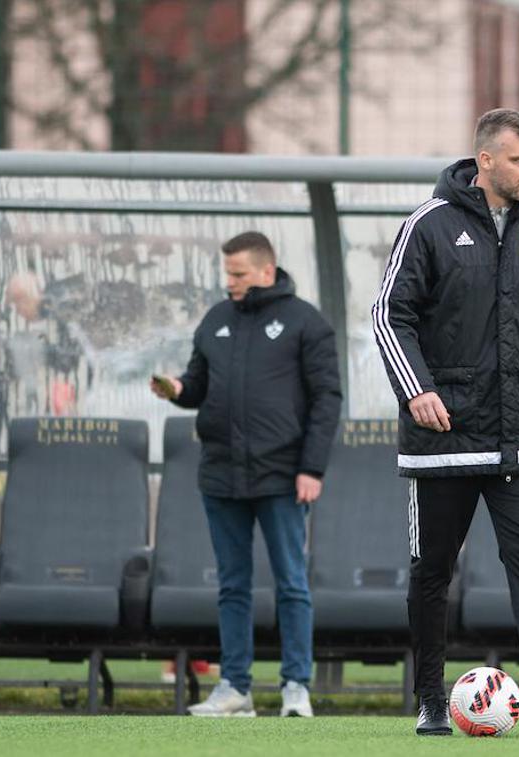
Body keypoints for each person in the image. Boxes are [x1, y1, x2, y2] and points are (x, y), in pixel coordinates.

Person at [371, 108, 519, 737]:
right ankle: (430, 697)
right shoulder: (428, 225)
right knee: (433, 569)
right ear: (486, 161)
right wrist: (416, 390)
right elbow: (390, 315)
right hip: (443, 437)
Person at [150, 231, 341, 718]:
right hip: (221, 476)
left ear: (266, 271)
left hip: (283, 476)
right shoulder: (215, 320)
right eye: (227, 273)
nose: (229, 282)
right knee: (231, 585)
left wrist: (311, 468)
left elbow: (326, 402)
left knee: (291, 583)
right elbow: (197, 386)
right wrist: (176, 388)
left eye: (238, 274)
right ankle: (235, 688)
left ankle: (296, 686)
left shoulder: (306, 323)